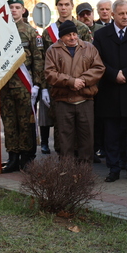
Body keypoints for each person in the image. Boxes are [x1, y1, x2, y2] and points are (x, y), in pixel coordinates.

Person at [93, 0, 127, 182]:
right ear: (113, 14)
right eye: (122, 13)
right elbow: (98, 60)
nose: (126, 17)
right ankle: (113, 169)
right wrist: (114, 74)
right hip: (110, 92)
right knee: (112, 136)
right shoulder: (101, 35)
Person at [40, 0, 93, 154]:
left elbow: (90, 58)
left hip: (81, 88)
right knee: (61, 130)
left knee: (82, 131)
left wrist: (83, 82)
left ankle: (81, 164)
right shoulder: (48, 32)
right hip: (59, 89)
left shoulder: (82, 29)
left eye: (67, 4)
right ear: (57, 7)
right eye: (60, 5)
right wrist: (43, 88)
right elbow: (43, 62)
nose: (64, 8)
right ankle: (64, 164)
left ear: (72, 6)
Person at [44, 20, 105, 162]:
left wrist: (82, 80)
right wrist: (71, 82)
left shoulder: (89, 47)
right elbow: (49, 73)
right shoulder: (52, 50)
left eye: (74, 34)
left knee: (87, 139)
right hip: (63, 101)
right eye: (68, 35)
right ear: (61, 37)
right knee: (65, 140)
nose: (72, 37)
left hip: (85, 100)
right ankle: (67, 171)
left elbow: (99, 68)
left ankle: (85, 171)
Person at [0, 0, 44, 173]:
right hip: (6, 85)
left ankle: (26, 158)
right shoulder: (0, 32)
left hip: (25, 86)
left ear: (23, 10)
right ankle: (13, 157)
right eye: (11, 7)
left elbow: (38, 60)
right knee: (9, 122)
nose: (14, 10)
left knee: (26, 122)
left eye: (17, 7)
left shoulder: (31, 32)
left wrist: (38, 84)